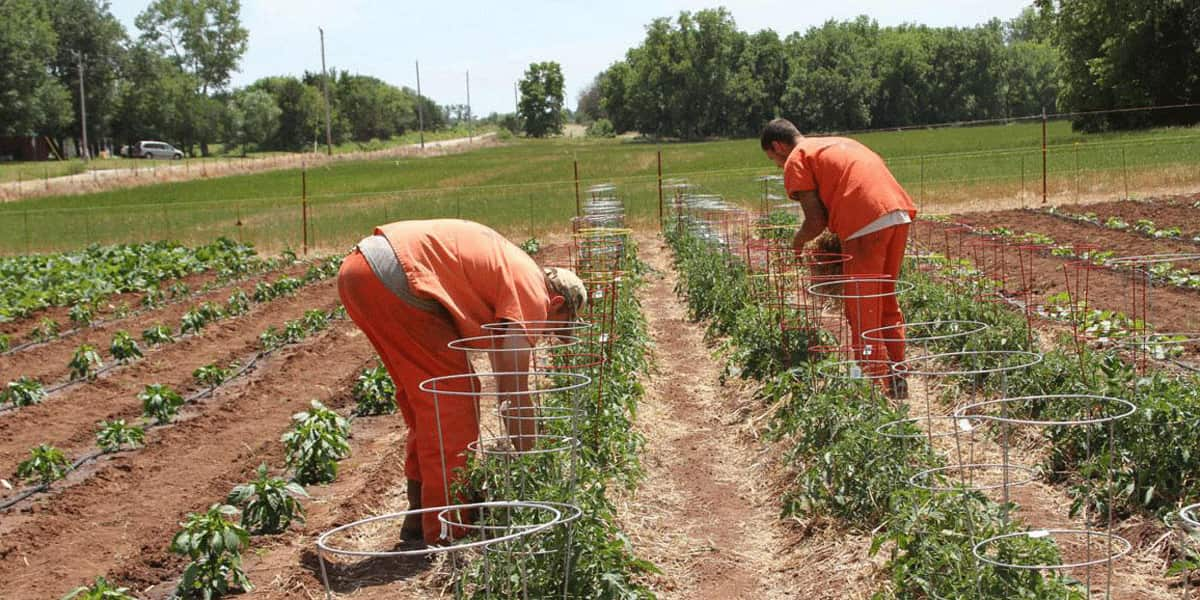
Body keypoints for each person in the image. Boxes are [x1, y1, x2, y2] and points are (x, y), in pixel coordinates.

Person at [337, 219, 588, 544]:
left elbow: (506, 388)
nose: (546, 335)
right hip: (392, 275)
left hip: (363, 272)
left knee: (427, 399)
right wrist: (535, 462)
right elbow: (514, 390)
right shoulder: (532, 292)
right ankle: (447, 530)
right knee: (452, 401)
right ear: (555, 304)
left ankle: (421, 514)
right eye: (555, 327)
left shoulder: (515, 278)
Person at [760, 118, 917, 398]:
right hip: (897, 212)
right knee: (884, 300)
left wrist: (796, 244)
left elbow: (815, 220)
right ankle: (897, 379)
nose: (778, 166)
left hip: (867, 219)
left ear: (778, 146)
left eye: (774, 160)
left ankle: (871, 390)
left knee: (861, 309)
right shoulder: (831, 143)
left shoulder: (798, 157)